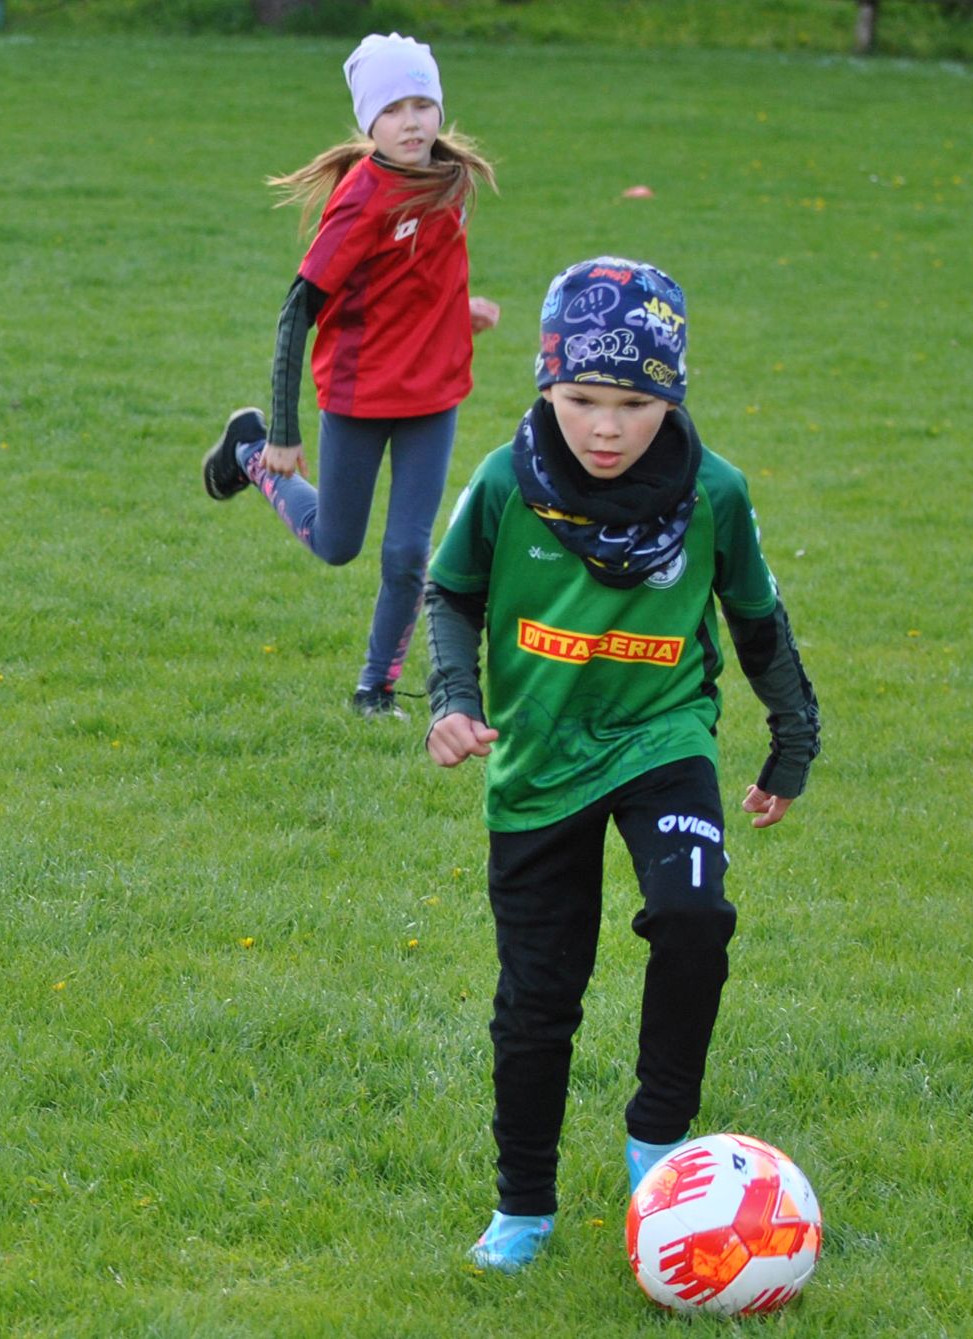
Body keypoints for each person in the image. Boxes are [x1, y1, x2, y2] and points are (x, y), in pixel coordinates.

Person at [422, 257, 821, 1272]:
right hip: (540, 756)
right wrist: (455, 702)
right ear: (545, 386)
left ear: (671, 392)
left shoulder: (714, 492)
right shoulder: (508, 478)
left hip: (660, 736)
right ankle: (523, 1208)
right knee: (537, 995)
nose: (604, 427)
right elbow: (451, 591)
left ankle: (660, 1145)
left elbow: (758, 623)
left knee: (694, 919)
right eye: (579, 399)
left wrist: (791, 737)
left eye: (633, 403)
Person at [200, 32, 500, 720]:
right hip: (359, 397)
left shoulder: (446, 180)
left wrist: (461, 309)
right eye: (395, 108)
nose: (413, 121)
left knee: (407, 553)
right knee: (338, 544)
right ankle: (247, 454)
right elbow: (294, 311)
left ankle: (376, 689)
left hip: (432, 397)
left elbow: (421, 275)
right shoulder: (363, 200)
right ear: (371, 120)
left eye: (424, 103)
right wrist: (279, 431)